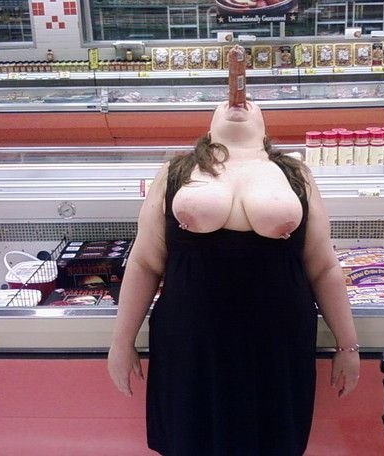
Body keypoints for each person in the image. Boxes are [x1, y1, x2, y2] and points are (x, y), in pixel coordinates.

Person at [108, 100, 360, 456]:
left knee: (272, 442)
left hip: (277, 348)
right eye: (224, 102)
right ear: (209, 127)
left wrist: (347, 347)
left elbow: (324, 267)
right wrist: (121, 343)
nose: (238, 102)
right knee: (190, 439)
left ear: (265, 127)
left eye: (251, 103)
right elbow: (144, 263)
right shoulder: (175, 173)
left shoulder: (295, 174)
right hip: (191, 348)